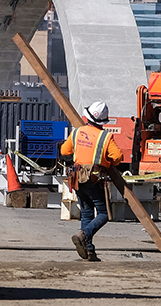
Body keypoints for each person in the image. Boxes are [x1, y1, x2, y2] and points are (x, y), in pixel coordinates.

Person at [60, 100, 122, 262]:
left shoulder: (77, 132)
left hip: (78, 178)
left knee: (87, 213)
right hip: (94, 179)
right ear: (103, 120)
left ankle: (89, 251)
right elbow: (117, 157)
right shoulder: (105, 136)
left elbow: (64, 150)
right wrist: (106, 163)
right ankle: (84, 235)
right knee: (104, 214)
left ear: (88, 117)